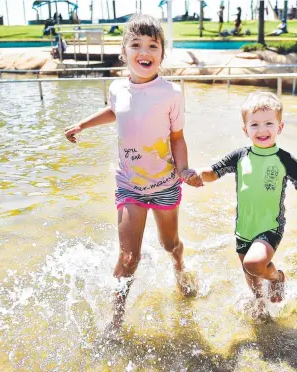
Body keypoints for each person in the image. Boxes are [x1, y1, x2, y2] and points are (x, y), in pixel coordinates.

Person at [64, 14, 203, 332]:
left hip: (165, 183)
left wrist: (183, 170)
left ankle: (179, 265)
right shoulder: (117, 88)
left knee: (169, 244)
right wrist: (83, 124)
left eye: (153, 46)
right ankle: (114, 321)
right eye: (136, 45)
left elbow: (177, 138)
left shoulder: (171, 95)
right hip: (129, 185)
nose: (145, 52)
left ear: (162, 54)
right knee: (129, 257)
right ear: (124, 52)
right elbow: (115, 111)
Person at [191, 92, 297, 303]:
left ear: (279, 128)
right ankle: (261, 310)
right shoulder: (239, 156)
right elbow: (213, 172)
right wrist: (199, 175)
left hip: (270, 226)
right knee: (253, 282)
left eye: (269, 123)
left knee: (254, 265)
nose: (262, 130)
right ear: (246, 130)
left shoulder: (285, 160)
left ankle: (277, 277)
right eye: (254, 125)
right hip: (244, 227)